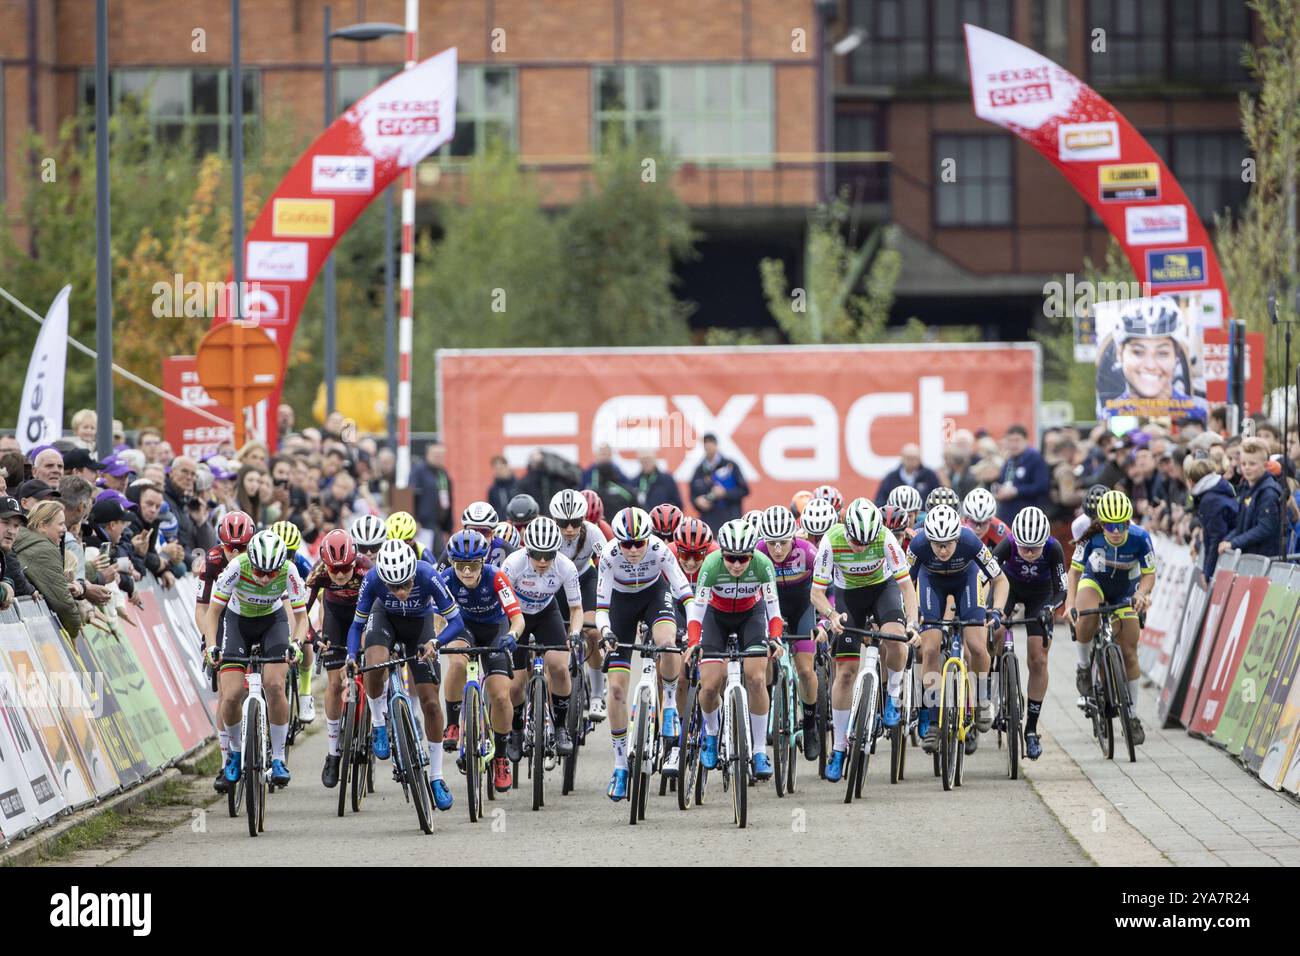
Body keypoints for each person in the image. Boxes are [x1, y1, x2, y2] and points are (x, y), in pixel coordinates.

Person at [811, 498, 918, 778]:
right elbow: (817, 593)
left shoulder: (884, 538)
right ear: (847, 530)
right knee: (845, 673)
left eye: (866, 542)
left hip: (883, 591)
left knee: (896, 638)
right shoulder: (831, 540)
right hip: (849, 599)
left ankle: (893, 694)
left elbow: (906, 586)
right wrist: (832, 615)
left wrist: (913, 624)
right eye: (857, 542)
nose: (861, 547)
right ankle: (839, 748)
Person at [595, 506, 694, 800]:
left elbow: (684, 591)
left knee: (667, 641)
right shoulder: (609, 556)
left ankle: (670, 706)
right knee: (615, 690)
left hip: (654, 595)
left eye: (640, 543)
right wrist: (605, 633)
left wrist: (692, 628)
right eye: (627, 543)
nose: (634, 550)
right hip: (621, 606)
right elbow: (601, 607)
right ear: (618, 542)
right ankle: (620, 766)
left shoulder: (659, 549)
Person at [684, 519, 784, 780]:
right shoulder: (711, 564)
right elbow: (697, 610)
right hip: (716, 617)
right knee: (709, 686)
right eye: (731, 558)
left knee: (758, 678)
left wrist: (776, 638)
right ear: (722, 554)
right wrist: (694, 641)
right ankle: (712, 734)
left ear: (752, 554)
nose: (737, 565)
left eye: (743, 559)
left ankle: (760, 750)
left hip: (751, 616)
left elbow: (774, 610)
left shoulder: (763, 564)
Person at [207, 531, 307, 788]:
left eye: (271, 574)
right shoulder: (236, 567)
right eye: (259, 572)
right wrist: (211, 647)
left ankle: (278, 758)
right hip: (237, 622)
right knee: (229, 695)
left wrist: (296, 644)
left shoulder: (289, 570)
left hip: (272, 622)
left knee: (274, 684)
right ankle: (235, 753)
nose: (264, 579)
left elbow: (301, 617)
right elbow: (213, 612)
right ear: (250, 562)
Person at [909, 504, 1007, 755]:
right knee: (929, 650)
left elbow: (1000, 579)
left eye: (948, 544)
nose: (942, 550)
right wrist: (909, 616)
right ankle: (932, 722)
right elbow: (903, 582)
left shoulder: (970, 541)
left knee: (976, 644)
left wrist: (996, 611)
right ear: (928, 539)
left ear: (957, 537)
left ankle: (983, 700)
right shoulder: (918, 545)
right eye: (937, 545)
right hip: (932, 583)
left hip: (966, 582)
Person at [436, 530, 525, 794]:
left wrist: (512, 635)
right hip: (461, 628)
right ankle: (453, 724)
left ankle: (500, 756)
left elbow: (517, 617)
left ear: (482, 561)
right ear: (452, 563)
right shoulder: (445, 579)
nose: (466, 572)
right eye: (460, 565)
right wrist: (437, 639)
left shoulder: (496, 577)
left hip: (494, 629)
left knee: (500, 696)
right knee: (457, 664)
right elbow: (437, 619)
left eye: (472, 565)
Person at [1065, 490, 1155, 745]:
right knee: (1087, 619)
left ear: (1129, 522)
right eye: (1109, 525)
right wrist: (1070, 602)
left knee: (1129, 652)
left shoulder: (1140, 538)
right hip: (1095, 584)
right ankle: (1084, 667)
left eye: (1121, 524)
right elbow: (1074, 574)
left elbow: (1149, 574)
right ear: (1100, 523)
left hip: (1126, 591)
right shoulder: (1090, 539)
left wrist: (1142, 593)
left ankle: (1133, 715)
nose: (1115, 531)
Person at [500, 517, 585, 757]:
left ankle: (560, 728)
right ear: (527, 550)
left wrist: (575, 633)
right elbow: (501, 603)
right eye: (536, 554)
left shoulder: (566, 567)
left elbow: (576, 609)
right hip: (516, 615)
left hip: (547, 612)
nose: (542, 561)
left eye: (548, 555)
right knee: (515, 685)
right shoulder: (513, 563)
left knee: (559, 666)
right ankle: (516, 731)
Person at [991, 507, 1067, 761]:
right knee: (994, 630)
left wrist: (1050, 608)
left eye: (1035, 549)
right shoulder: (1008, 544)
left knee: (1038, 658)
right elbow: (985, 574)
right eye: (1025, 548)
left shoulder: (1053, 548)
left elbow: (1061, 591)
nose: (1030, 554)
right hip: (1010, 589)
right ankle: (996, 679)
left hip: (1040, 596)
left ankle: (1031, 730)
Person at [755, 505, 822, 760]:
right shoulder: (758, 552)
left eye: (783, 542)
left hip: (802, 607)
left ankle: (810, 722)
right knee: (764, 666)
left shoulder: (808, 552)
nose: (778, 549)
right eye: (772, 544)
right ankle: (770, 705)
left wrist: (825, 622)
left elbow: (830, 586)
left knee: (805, 670)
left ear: (793, 537)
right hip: (771, 609)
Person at [13, 500, 82, 637]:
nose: (65, 529)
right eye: (61, 524)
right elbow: (63, 604)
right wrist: (75, 630)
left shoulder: (21, 537)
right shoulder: (45, 550)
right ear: (43, 526)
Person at [1219, 437, 1283, 560]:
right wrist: (1227, 540)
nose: (1246, 468)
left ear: (1265, 465)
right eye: (1243, 464)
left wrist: (1233, 543)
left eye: (1252, 464)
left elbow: (1265, 528)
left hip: (1263, 559)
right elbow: (1241, 526)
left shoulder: (1269, 492)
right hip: (1249, 559)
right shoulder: (1245, 487)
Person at [1185, 458, 1237, 582]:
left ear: (1191, 482)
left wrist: (1208, 572)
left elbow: (1216, 537)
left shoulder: (1210, 500)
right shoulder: (1216, 491)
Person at [689, 433, 749, 532]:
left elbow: (744, 490)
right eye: (705, 443)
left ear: (716, 445)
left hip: (731, 521)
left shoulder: (730, 466)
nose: (708, 446)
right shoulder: (699, 470)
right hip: (709, 522)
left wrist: (725, 493)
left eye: (710, 443)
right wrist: (698, 501)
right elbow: (693, 494)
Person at [995, 424, 1051, 525]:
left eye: (1017, 440)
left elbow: (1042, 486)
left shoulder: (1035, 458)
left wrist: (1017, 491)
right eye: (1010, 441)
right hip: (1007, 517)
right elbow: (1003, 481)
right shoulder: (1009, 460)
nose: (1013, 444)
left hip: (1028, 519)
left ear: (1026, 440)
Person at [412, 441, 453, 557]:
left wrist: (448, 527)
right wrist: (414, 520)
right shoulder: (418, 471)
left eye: (441, 456)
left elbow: (448, 500)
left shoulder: (443, 474)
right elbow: (411, 496)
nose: (439, 458)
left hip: (438, 525)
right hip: (422, 525)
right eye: (436, 455)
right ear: (428, 454)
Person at [874, 443, 941, 508]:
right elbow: (880, 500)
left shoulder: (929, 475)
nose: (911, 461)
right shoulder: (891, 478)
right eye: (909, 458)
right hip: (897, 517)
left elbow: (938, 498)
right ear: (902, 458)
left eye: (914, 458)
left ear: (920, 458)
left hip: (923, 516)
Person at [0, 496, 33, 607]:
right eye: (5, 523)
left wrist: (7, 583)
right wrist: (3, 591)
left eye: (16, 525)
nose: (11, 531)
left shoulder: (3, 553)